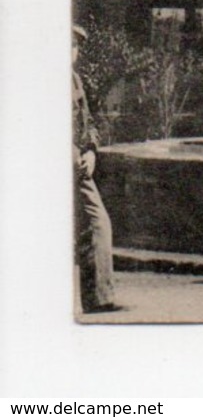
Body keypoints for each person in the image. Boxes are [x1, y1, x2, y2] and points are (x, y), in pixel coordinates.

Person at [73, 35, 119, 312]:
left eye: (74, 46)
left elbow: (88, 123)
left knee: (97, 223)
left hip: (78, 164)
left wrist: (91, 149)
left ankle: (99, 298)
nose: (71, 51)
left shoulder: (75, 80)